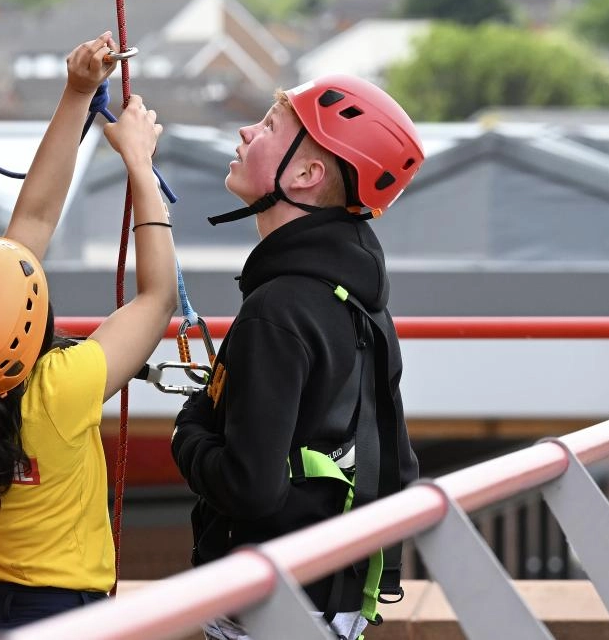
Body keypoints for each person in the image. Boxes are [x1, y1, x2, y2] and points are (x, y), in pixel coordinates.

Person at [0, 32, 177, 638]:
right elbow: (159, 297)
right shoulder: (59, 390)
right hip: (65, 618)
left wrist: (77, 92)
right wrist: (137, 161)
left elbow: (32, 223)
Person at [170, 75, 425, 640]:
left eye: (267, 126)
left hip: (267, 607)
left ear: (307, 176)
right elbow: (395, 459)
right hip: (330, 598)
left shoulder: (278, 310)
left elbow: (250, 487)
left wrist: (186, 431)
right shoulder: (357, 296)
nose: (245, 131)